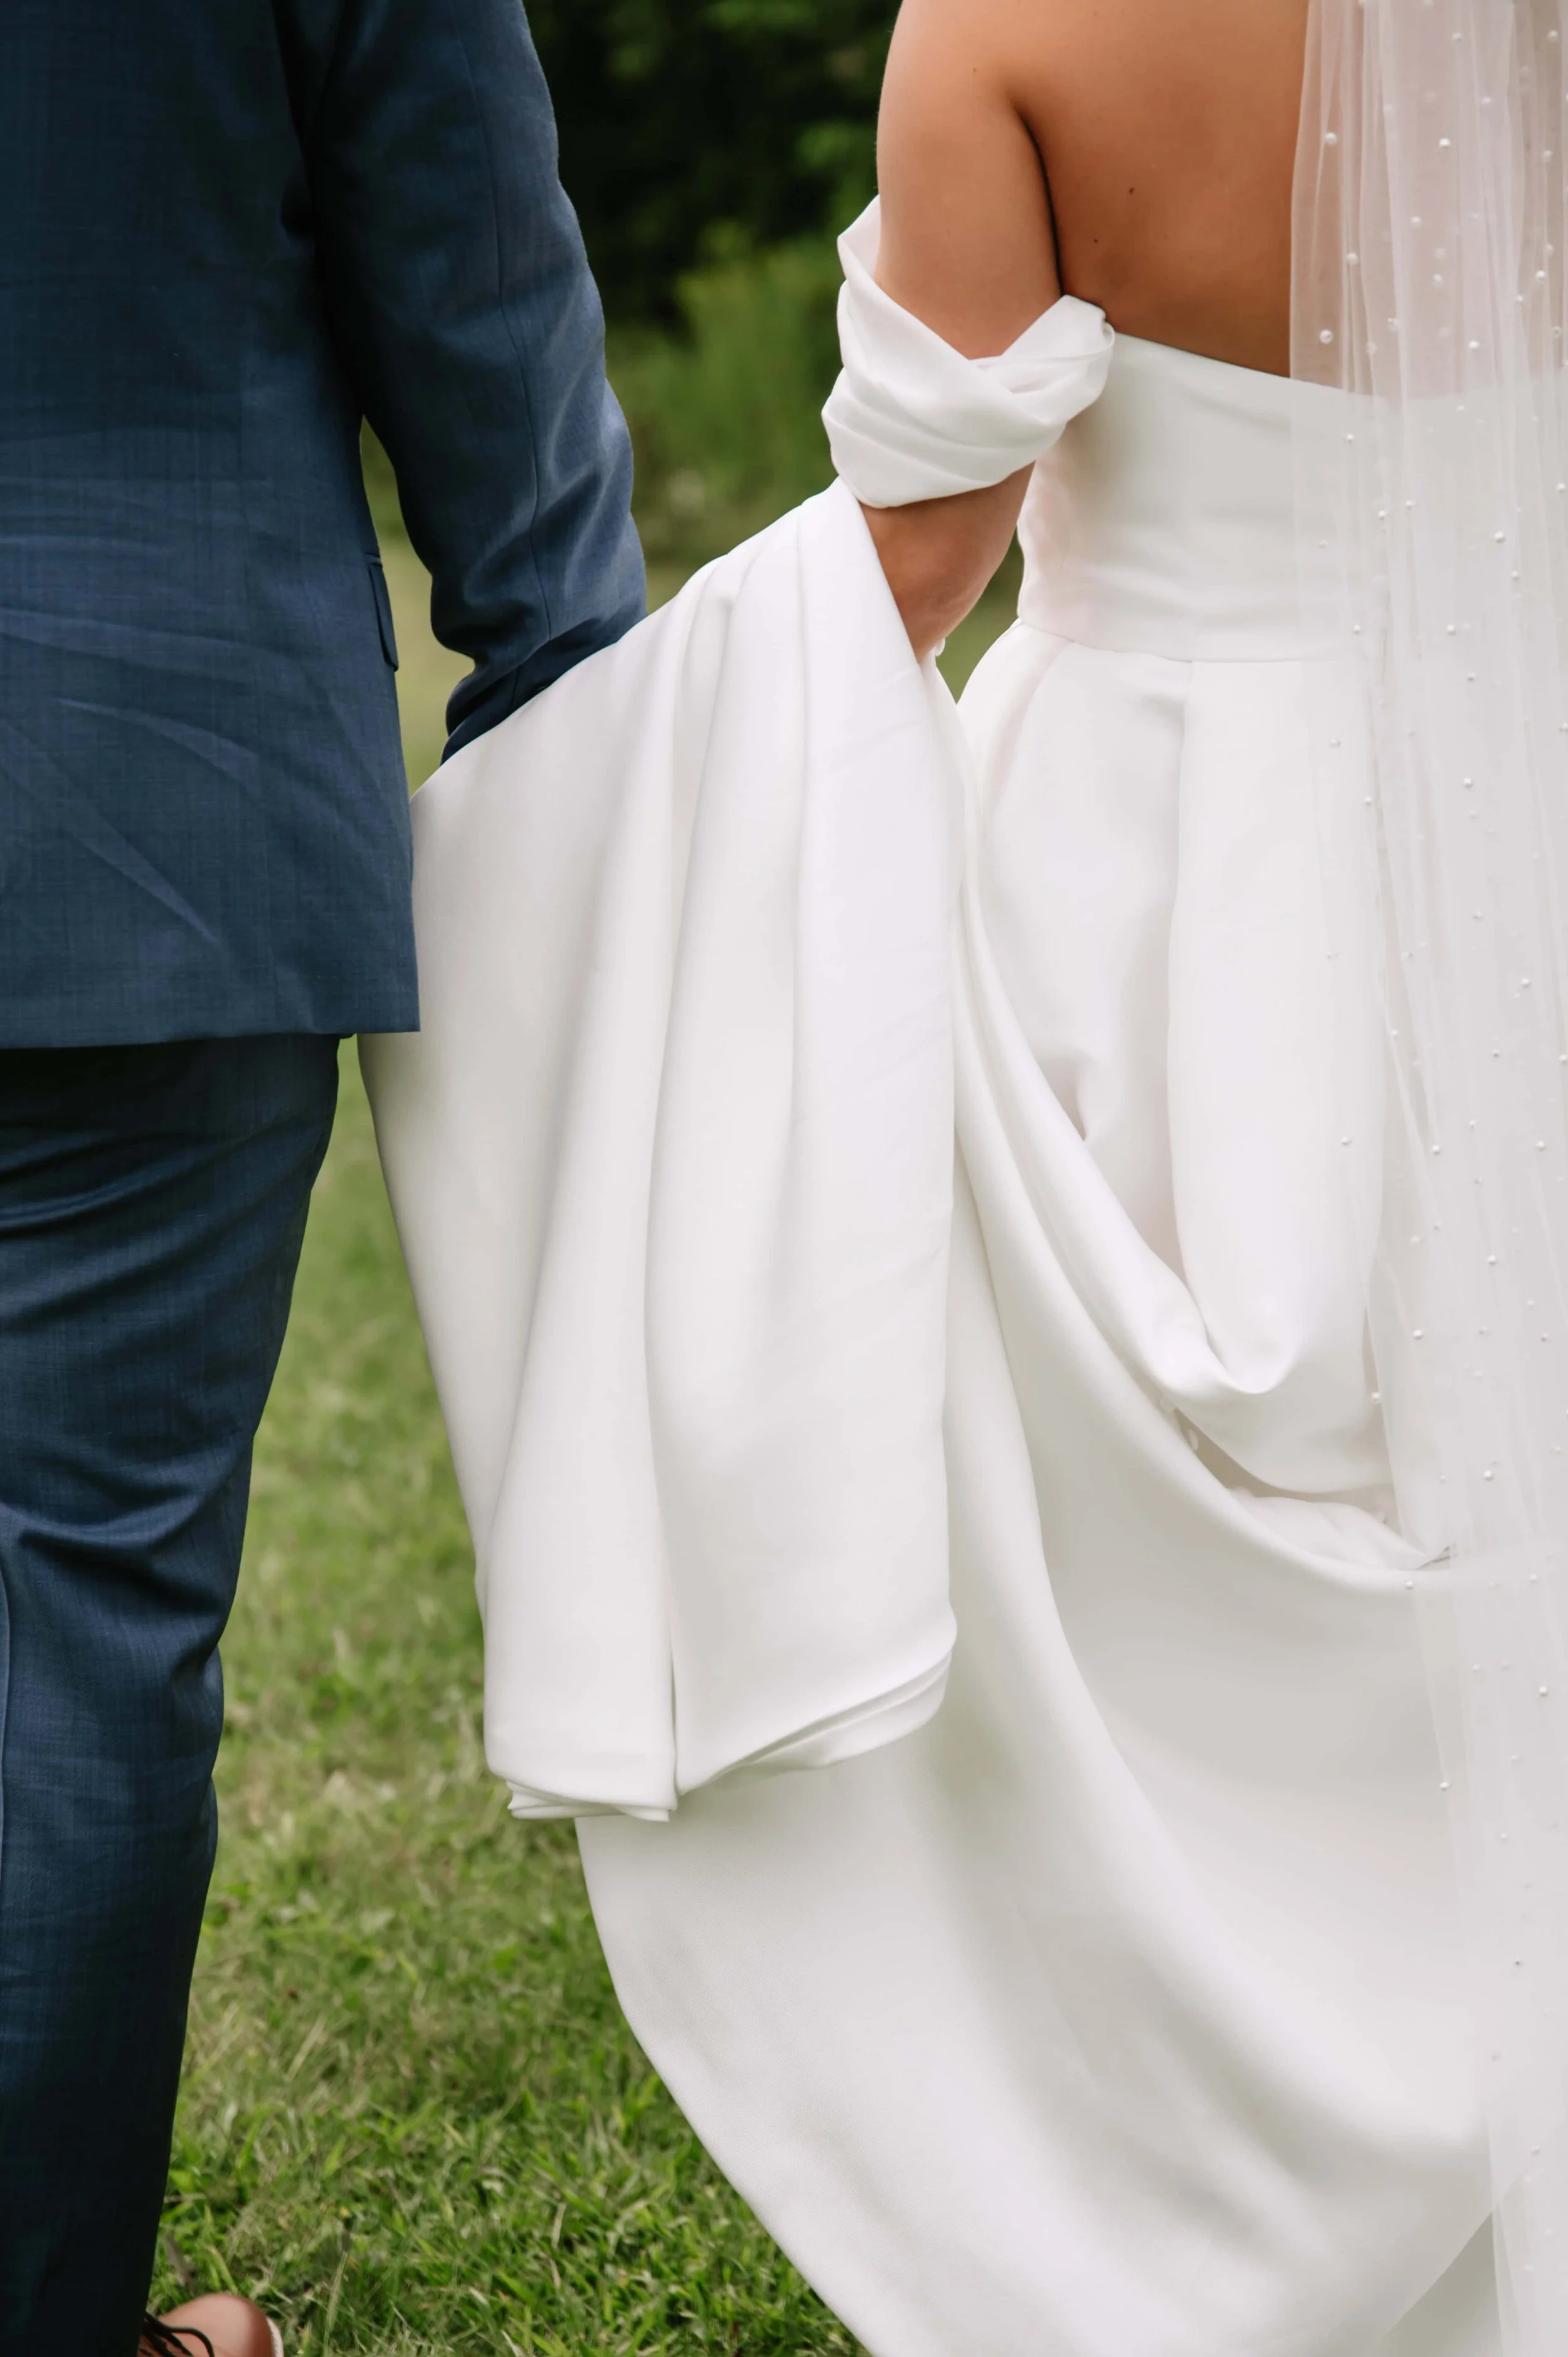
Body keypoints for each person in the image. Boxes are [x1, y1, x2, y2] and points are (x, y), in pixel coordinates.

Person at [367, 0, 1568, 2348]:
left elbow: (918, 558)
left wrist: (572, 808)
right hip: (1511, 830)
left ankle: (1182, 2214)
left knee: (1146, 1616)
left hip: (1148, 873)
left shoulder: (1017, 21)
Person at [0, 2, 642, 2351]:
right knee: (69, 1613)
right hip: (142, 810)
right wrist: (581, 740)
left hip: (146, 842)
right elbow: (477, 306)